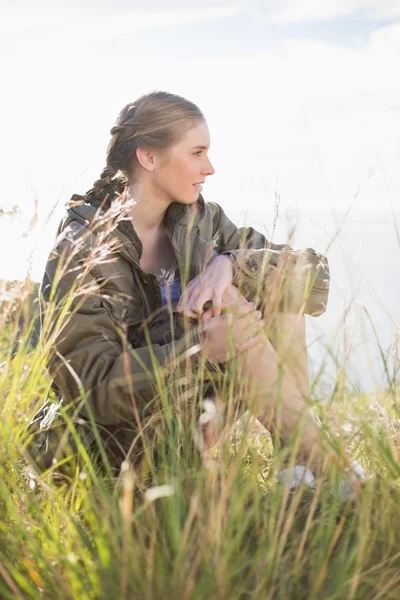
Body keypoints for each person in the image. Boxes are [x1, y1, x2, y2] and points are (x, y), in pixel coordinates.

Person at [26, 90, 364, 495]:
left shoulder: (198, 220)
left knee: (275, 288)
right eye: (197, 152)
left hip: (185, 421)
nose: (210, 168)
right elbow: (91, 391)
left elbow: (312, 275)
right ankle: (329, 467)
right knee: (234, 309)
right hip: (97, 453)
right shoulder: (81, 250)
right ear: (148, 158)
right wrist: (200, 350)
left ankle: (297, 467)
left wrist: (232, 264)